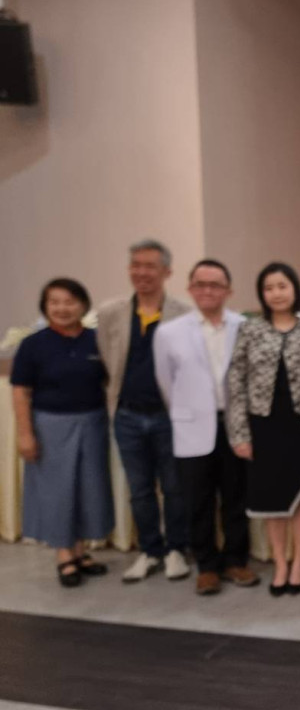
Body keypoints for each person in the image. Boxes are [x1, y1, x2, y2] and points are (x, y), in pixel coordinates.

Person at [153, 259, 258, 595]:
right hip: (191, 427)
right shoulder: (168, 332)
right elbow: (166, 382)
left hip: (235, 426)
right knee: (197, 501)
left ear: (229, 291)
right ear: (190, 289)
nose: (208, 291)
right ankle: (207, 566)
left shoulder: (244, 326)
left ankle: (236, 560)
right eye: (201, 284)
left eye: (215, 285)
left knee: (236, 497)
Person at [96, 239, 191, 584]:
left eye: (150, 266)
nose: (141, 272)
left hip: (168, 415)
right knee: (139, 489)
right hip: (127, 415)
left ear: (167, 271)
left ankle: (176, 549)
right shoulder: (111, 312)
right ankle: (150, 550)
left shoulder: (184, 314)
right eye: (135, 265)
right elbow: (105, 359)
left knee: (175, 487)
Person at [11, 279, 115, 587]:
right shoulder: (33, 344)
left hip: (93, 424)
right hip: (50, 426)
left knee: (88, 488)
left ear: (83, 305)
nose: (62, 308)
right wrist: (25, 434)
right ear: (45, 307)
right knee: (58, 492)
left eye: (69, 302)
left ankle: (80, 551)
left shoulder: (97, 340)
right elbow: (20, 392)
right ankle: (64, 554)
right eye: (54, 302)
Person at [226, 263, 300, 597]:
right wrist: (239, 434)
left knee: (299, 497)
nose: (276, 293)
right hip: (262, 425)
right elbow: (235, 381)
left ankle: (299, 563)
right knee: (270, 499)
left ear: (294, 289)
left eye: (282, 286)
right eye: (269, 288)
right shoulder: (250, 330)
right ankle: (280, 563)